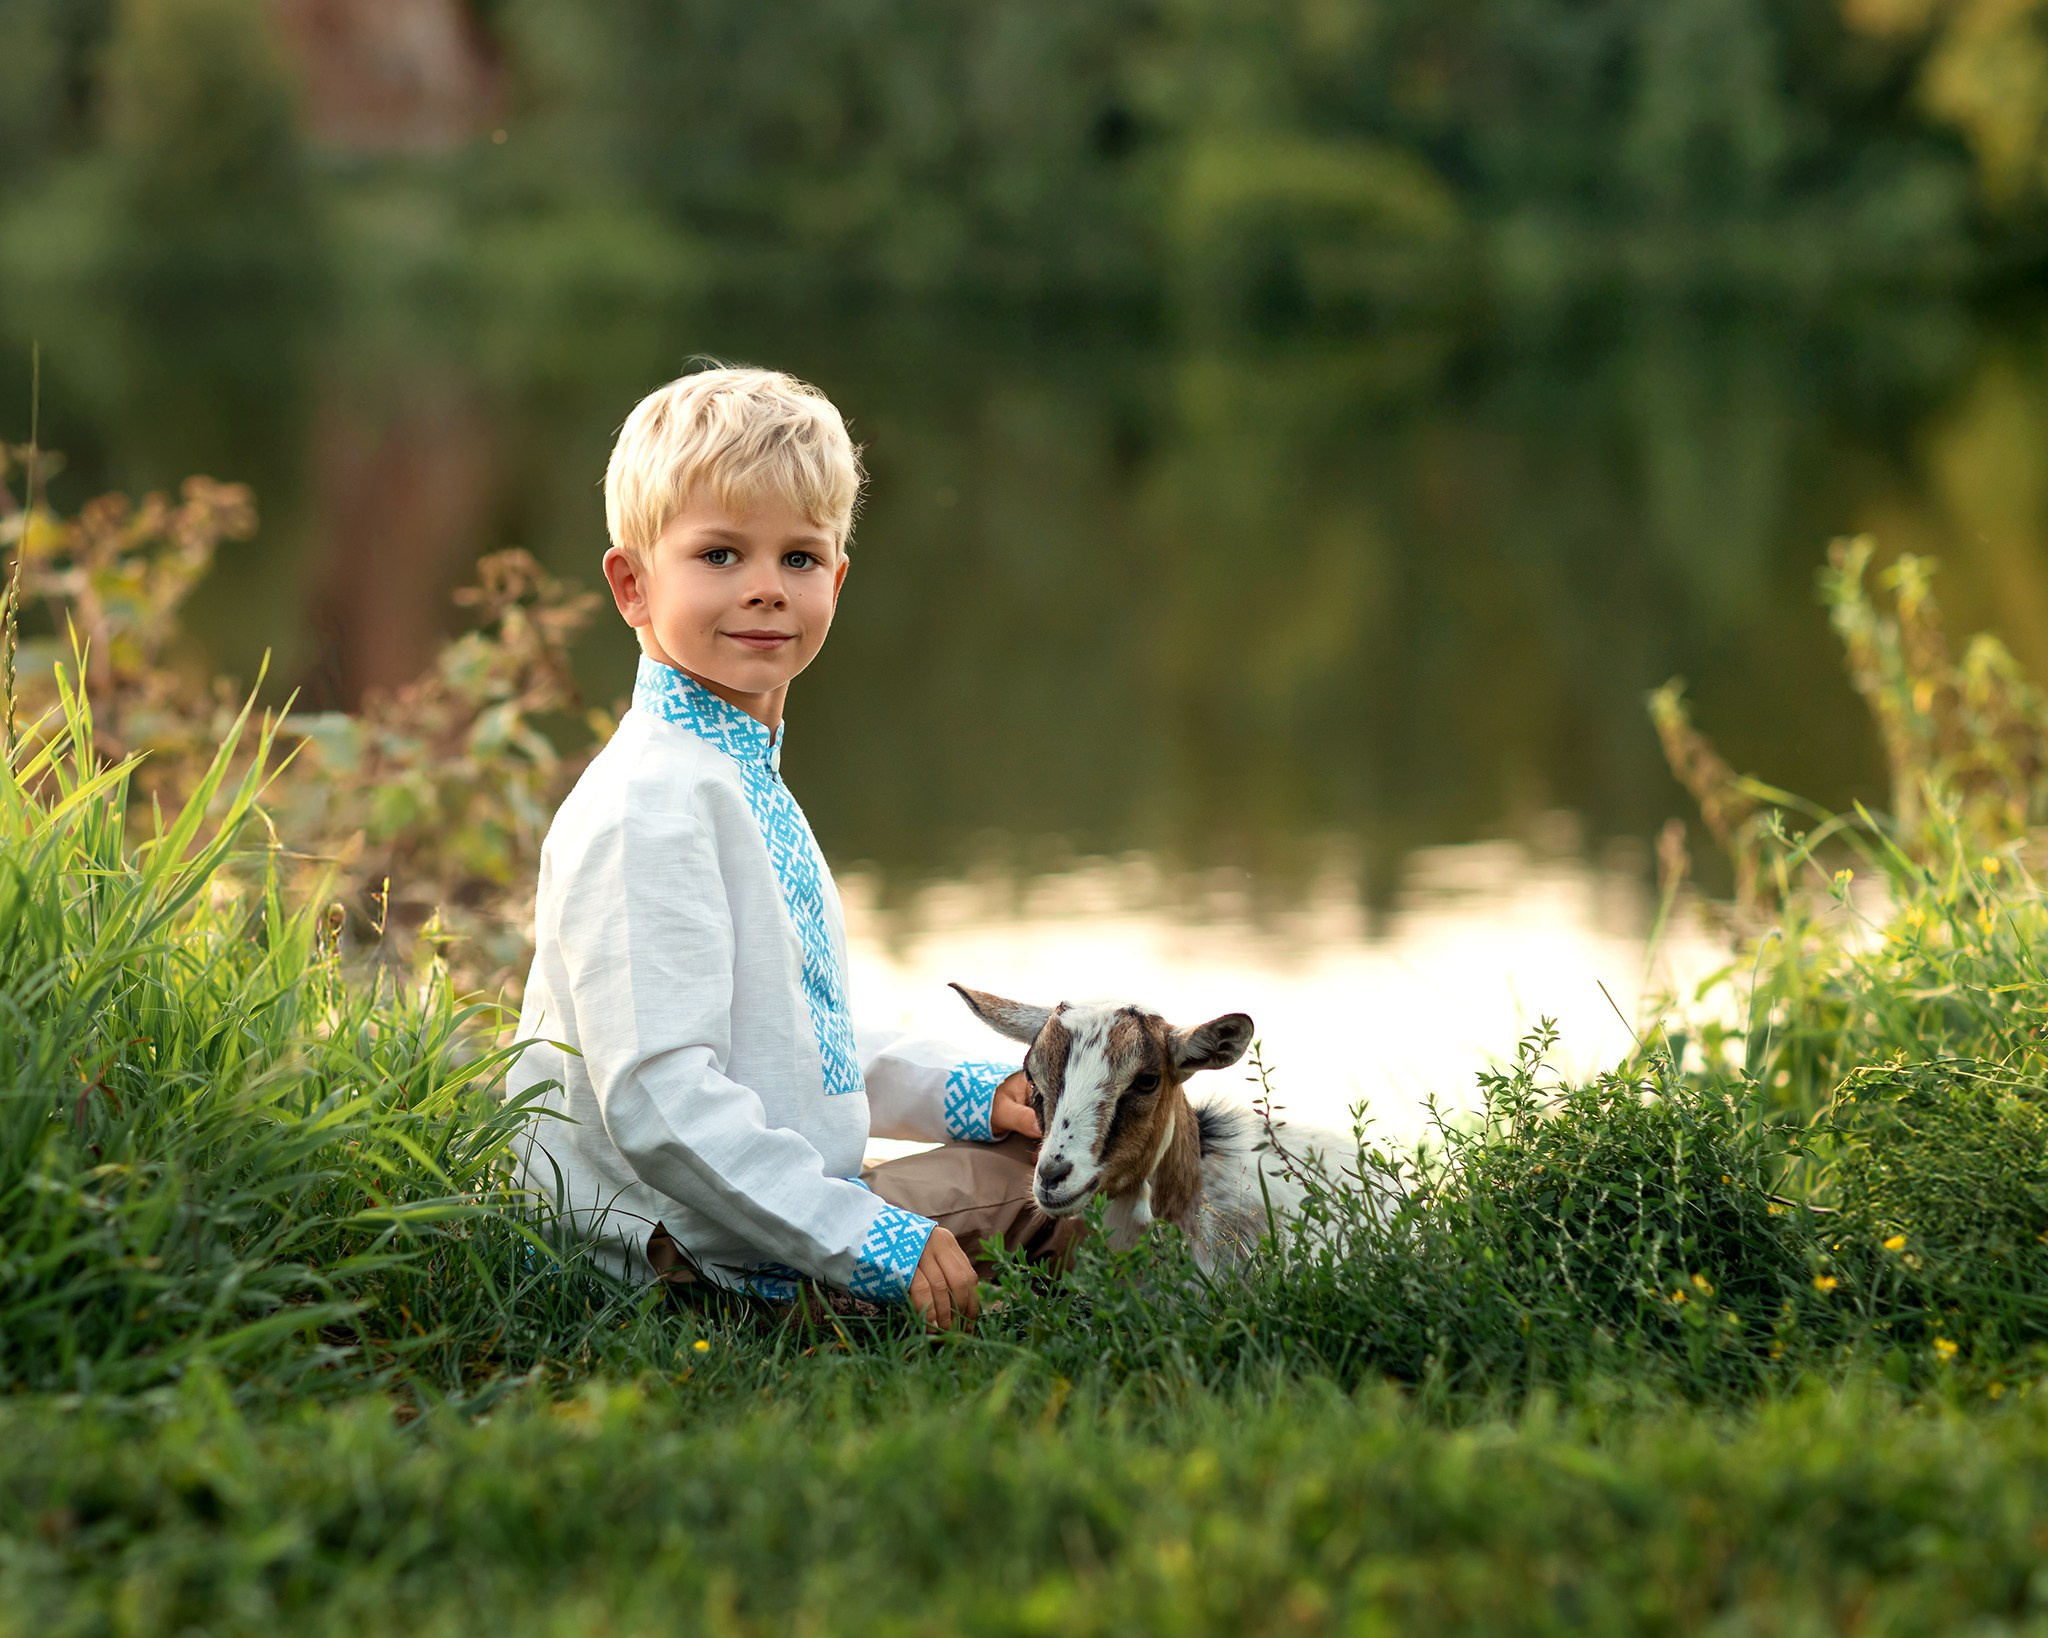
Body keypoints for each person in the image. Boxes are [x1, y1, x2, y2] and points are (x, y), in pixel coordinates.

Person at [506, 365, 1080, 1330]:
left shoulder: (725, 773)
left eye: (800, 560)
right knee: (1087, 1182)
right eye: (721, 555)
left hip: (729, 1220)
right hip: (683, 1262)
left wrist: (978, 1094)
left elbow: (784, 1047)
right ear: (632, 585)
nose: (767, 590)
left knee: (1050, 1136)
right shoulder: (651, 804)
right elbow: (659, 1097)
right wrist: (866, 1235)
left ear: (838, 580)